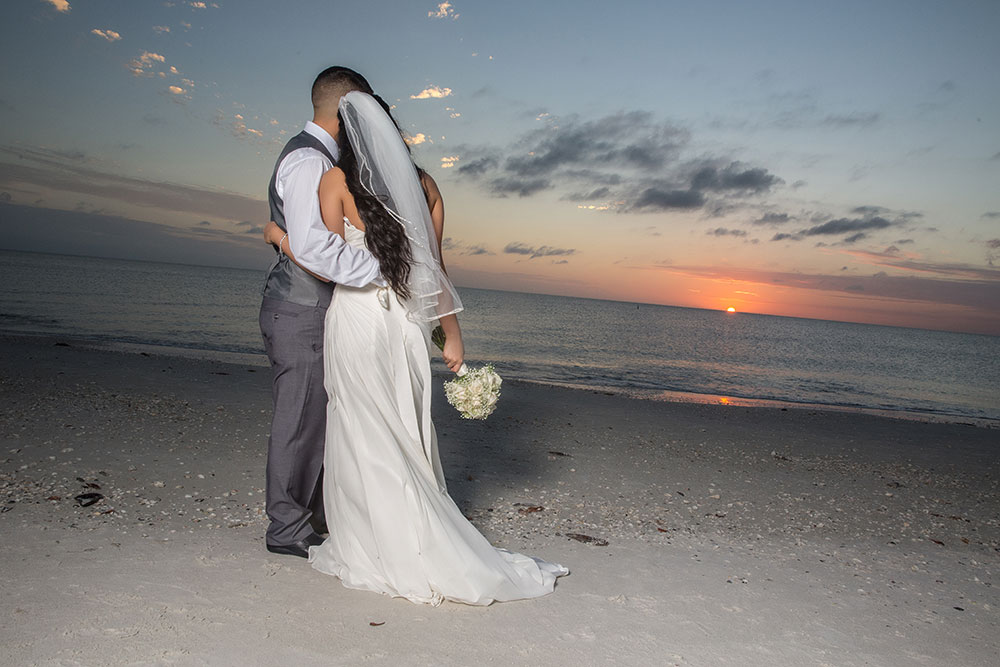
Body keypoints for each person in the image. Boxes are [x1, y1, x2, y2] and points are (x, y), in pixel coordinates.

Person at [267, 91, 568, 605]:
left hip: (357, 318)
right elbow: (434, 270)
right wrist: (452, 333)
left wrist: (280, 236)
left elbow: (325, 259)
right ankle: (419, 536)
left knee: (362, 427)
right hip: (405, 324)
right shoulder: (425, 185)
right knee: (405, 426)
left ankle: (373, 540)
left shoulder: (334, 181)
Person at [258, 67, 385, 559]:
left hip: (301, 307)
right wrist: (382, 268)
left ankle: (310, 516)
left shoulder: (311, 157)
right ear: (347, 110)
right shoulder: (311, 162)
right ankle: (286, 528)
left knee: (316, 418)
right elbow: (317, 251)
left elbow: (297, 238)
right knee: (300, 419)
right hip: (300, 309)